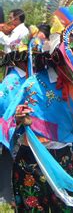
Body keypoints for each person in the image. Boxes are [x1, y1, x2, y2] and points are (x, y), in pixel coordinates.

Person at [1, 6, 73, 211]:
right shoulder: (32, 85)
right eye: (72, 60)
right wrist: (19, 119)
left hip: (64, 157)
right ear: (57, 56)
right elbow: (11, 120)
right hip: (31, 160)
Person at [0, 31, 31, 206]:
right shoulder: (12, 80)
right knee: (10, 161)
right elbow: (3, 102)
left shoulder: (25, 77)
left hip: (20, 126)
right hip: (13, 127)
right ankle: (7, 196)